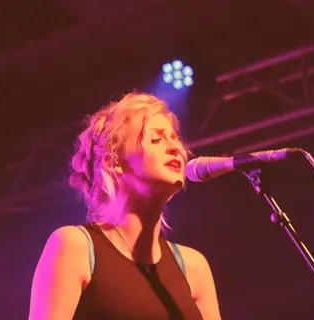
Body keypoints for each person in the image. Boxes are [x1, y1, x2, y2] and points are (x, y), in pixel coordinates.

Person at [27, 93, 221, 320]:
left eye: (174, 137)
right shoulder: (75, 246)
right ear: (113, 162)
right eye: (156, 139)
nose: (175, 148)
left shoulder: (193, 266)